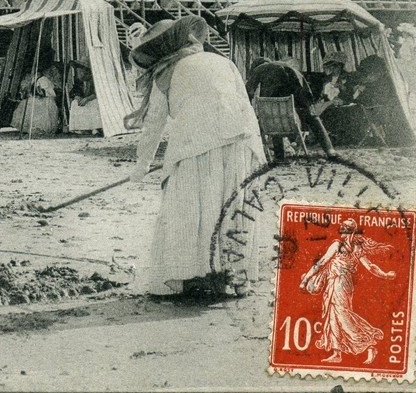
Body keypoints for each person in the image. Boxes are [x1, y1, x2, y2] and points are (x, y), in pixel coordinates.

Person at [126, 16, 265, 297]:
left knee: (191, 209)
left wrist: (141, 166)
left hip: (196, 146)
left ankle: (188, 276)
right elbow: (245, 107)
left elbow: (154, 124)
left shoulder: (166, 72)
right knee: (230, 207)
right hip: (241, 142)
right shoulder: (222, 61)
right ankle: (234, 277)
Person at [300, 219, 395, 364]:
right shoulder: (353, 248)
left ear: (348, 231)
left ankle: (368, 345)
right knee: (333, 316)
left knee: (342, 316)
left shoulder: (340, 245)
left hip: (340, 283)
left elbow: (321, 263)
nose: (342, 230)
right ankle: (337, 353)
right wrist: (385, 274)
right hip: (337, 283)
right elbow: (371, 267)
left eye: (344, 228)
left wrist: (305, 279)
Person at [246, 55, 335, 159]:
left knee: (273, 115)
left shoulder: (259, 69)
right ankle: (330, 150)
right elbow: (305, 92)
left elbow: (248, 92)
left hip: (274, 116)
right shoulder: (288, 67)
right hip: (296, 103)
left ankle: (280, 155)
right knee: (313, 117)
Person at [10, 45, 61, 137]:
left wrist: (45, 89)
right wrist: (32, 88)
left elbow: (57, 86)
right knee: (29, 103)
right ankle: (31, 126)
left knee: (43, 105)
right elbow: (25, 86)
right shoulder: (32, 73)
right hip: (34, 96)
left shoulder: (53, 70)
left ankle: (41, 127)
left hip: (47, 97)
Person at [67, 60, 102, 134]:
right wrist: (77, 96)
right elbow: (75, 91)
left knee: (94, 103)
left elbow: (97, 92)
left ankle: (95, 128)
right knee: (74, 103)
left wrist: (88, 98)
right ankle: (81, 128)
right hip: (83, 100)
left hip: (93, 99)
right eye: (79, 72)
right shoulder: (79, 81)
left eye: (82, 72)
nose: (80, 74)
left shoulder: (94, 80)